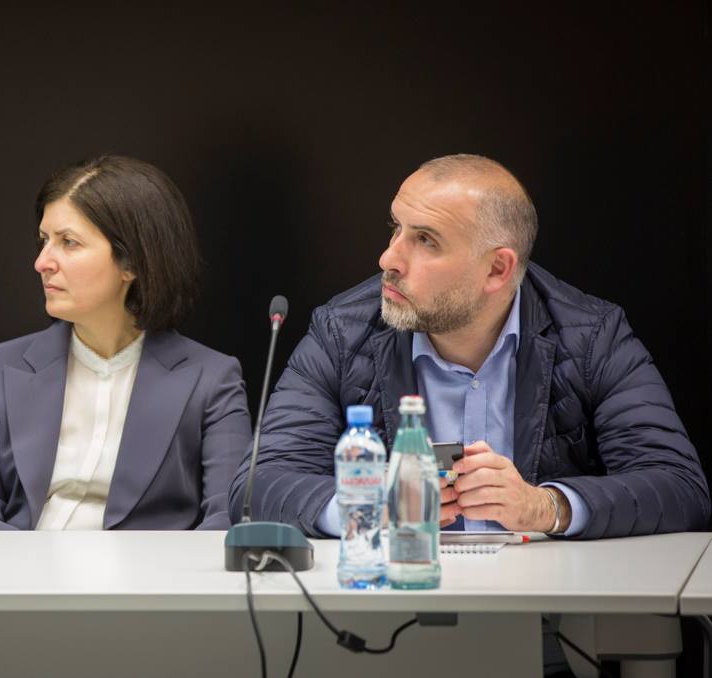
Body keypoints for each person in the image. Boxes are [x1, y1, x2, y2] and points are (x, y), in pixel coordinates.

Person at [232, 153, 709, 539]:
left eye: (425, 240)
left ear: (497, 269)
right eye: (396, 229)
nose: (388, 259)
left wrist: (547, 507)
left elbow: (679, 485)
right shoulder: (342, 331)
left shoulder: (590, 336)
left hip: (550, 611)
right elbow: (258, 486)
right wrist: (371, 509)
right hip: (390, 606)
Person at [0, 156, 251, 530]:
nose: (42, 262)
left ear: (132, 262)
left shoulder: (211, 379)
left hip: (149, 568)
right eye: (44, 241)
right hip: (23, 563)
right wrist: (33, 565)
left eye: (69, 242)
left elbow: (229, 521)